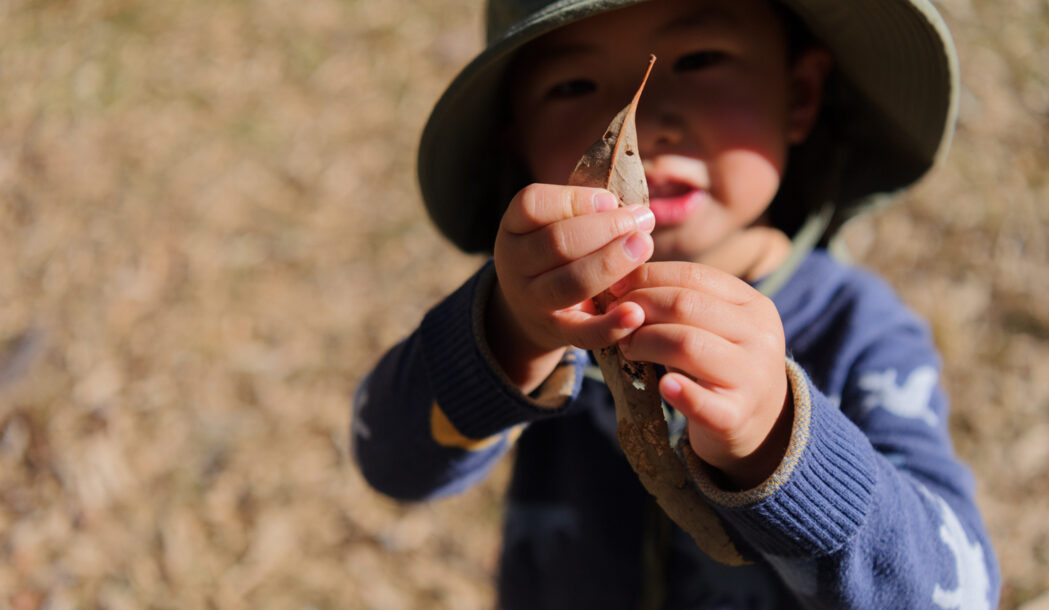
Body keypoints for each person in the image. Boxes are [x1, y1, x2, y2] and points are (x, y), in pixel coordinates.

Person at [353, 0, 1001, 607]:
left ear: (799, 94)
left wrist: (778, 441)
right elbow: (389, 461)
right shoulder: (532, 318)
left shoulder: (858, 330)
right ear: (514, 140)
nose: (644, 123)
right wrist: (508, 336)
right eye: (573, 86)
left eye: (698, 61)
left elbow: (959, 589)